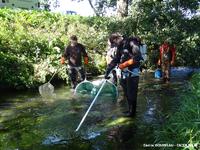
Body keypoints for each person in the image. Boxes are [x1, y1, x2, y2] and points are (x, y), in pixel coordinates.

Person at [105, 36, 143, 117]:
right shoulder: (120, 46)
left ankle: (132, 113)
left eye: (113, 44)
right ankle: (130, 110)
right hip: (124, 73)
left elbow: (138, 57)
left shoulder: (131, 42)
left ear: (116, 39)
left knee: (131, 93)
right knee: (127, 93)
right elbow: (116, 59)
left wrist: (124, 64)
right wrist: (107, 72)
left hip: (133, 71)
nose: (114, 46)